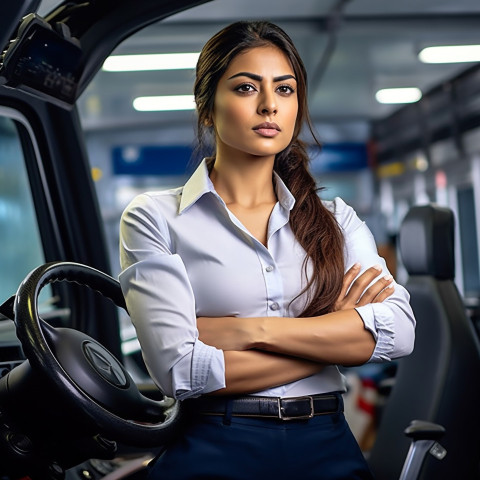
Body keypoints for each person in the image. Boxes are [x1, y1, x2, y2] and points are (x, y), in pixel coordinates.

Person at [119, 20, 415, 480]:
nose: (269, 105)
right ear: (207, 107)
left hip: (327, 441)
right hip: (215, 440)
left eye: (285, 88)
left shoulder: (336, 220)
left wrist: (246, 332)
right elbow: (179, 370)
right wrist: (335, 338)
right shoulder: (156, 217)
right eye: (245, 87)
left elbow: (398, 331)